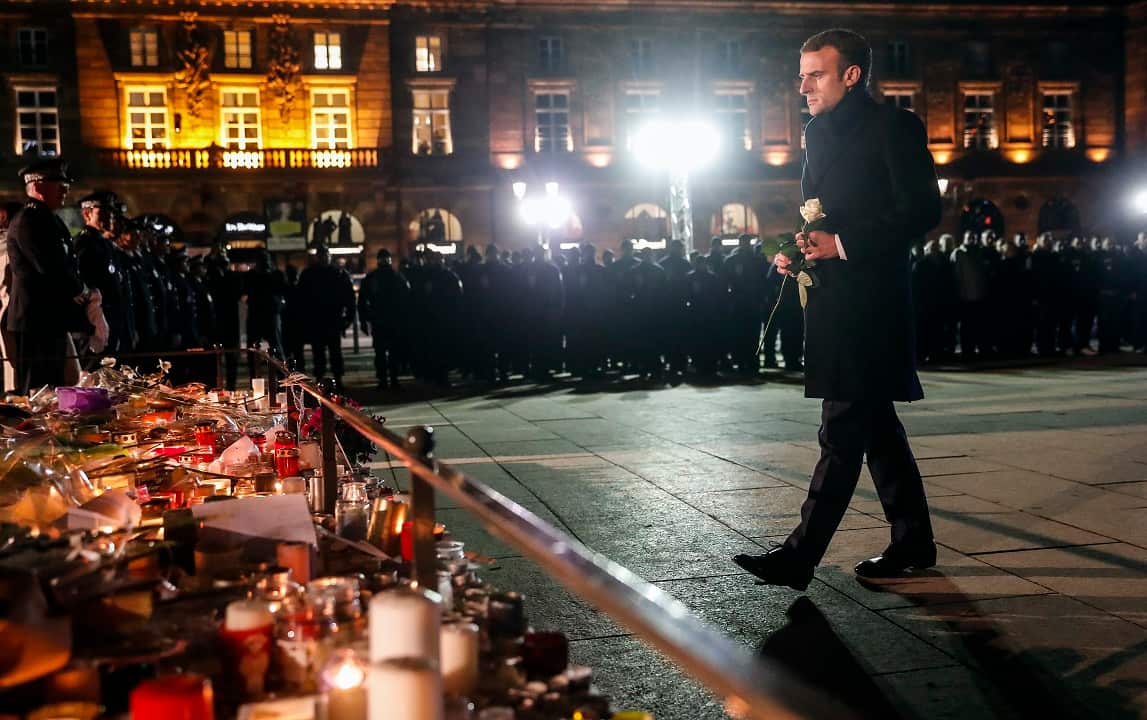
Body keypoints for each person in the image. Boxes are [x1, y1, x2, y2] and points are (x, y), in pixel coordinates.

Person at [733, 29, 940, 591]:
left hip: (871, 305)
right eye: (800, 74)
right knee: (877, 431)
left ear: (852, 75)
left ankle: (798, 556)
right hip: (830, 299)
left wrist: (843, 243)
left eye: (815, 74)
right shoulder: (816, 133)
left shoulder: (893, 127)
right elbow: (815, 214)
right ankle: (912, 541)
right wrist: (796, 247)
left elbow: (922, 209)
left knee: (842, 429)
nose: (802, 86)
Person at [5, 159, 92, 392]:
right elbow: (49, 267)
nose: (65, 189)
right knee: (37, 390)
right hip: (34, 320)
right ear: (37, 186)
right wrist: (81, 291)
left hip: (49, 318)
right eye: (57, 183)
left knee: (55, 387)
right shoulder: (29, 220)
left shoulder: (49, 219)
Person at [297, 245, 355, 385]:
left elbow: (349, 297)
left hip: (328, 318)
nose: (324, 258)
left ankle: (331, 377)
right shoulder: (335, 273)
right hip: (322, 318)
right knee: (321, 352)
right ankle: (324, 377)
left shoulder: (314, 274)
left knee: (330, 351)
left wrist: (348, 317)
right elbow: (301, 299)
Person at [358, 248, 410, 389]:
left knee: (386, 351)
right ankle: (388, 379)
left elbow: (362, 301)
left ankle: (387, 379)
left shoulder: (380, 277)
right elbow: (406, 298)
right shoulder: (394, 276)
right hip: (386, 319)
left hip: (384, 319)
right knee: (386, 352)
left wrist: (364, 320)